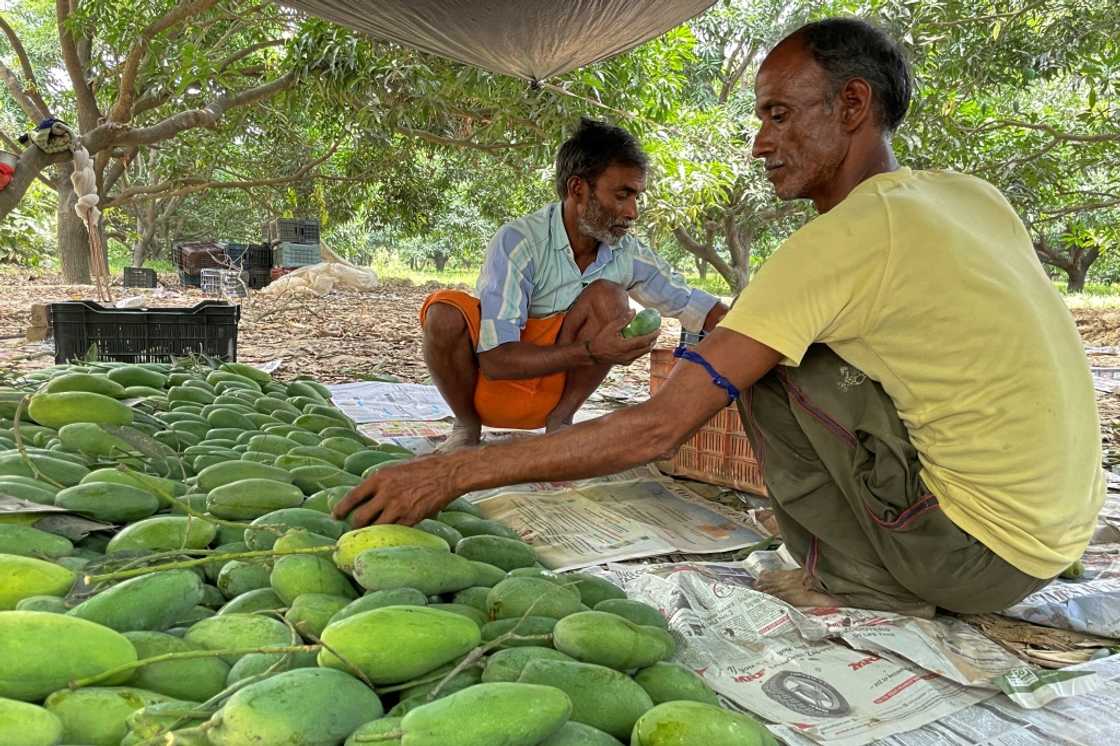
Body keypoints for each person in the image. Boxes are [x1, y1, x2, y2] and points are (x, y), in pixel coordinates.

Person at [338, 18, 1104, 616]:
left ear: (853, 105)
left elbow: (658, 427)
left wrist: (451, 473)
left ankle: (858, 576)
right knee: (755, 340)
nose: (758, 143)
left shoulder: (838, 240)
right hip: (1053, 536)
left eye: (777, 115)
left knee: (762, 360)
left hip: (971, 560)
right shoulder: (971, 194)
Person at [419, 118, 728, 451]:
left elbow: (693, 304)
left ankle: (561, 423)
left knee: (609, 296)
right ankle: (466, 426)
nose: (632, 211)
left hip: (556, 394)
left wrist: (754, 331)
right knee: (444, 312)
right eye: (622, 195)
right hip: (488, 388)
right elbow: (495, 362)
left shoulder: (627, 252)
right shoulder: (520, 241)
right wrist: (593, 351)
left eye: (636, 197)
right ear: (578, 189)